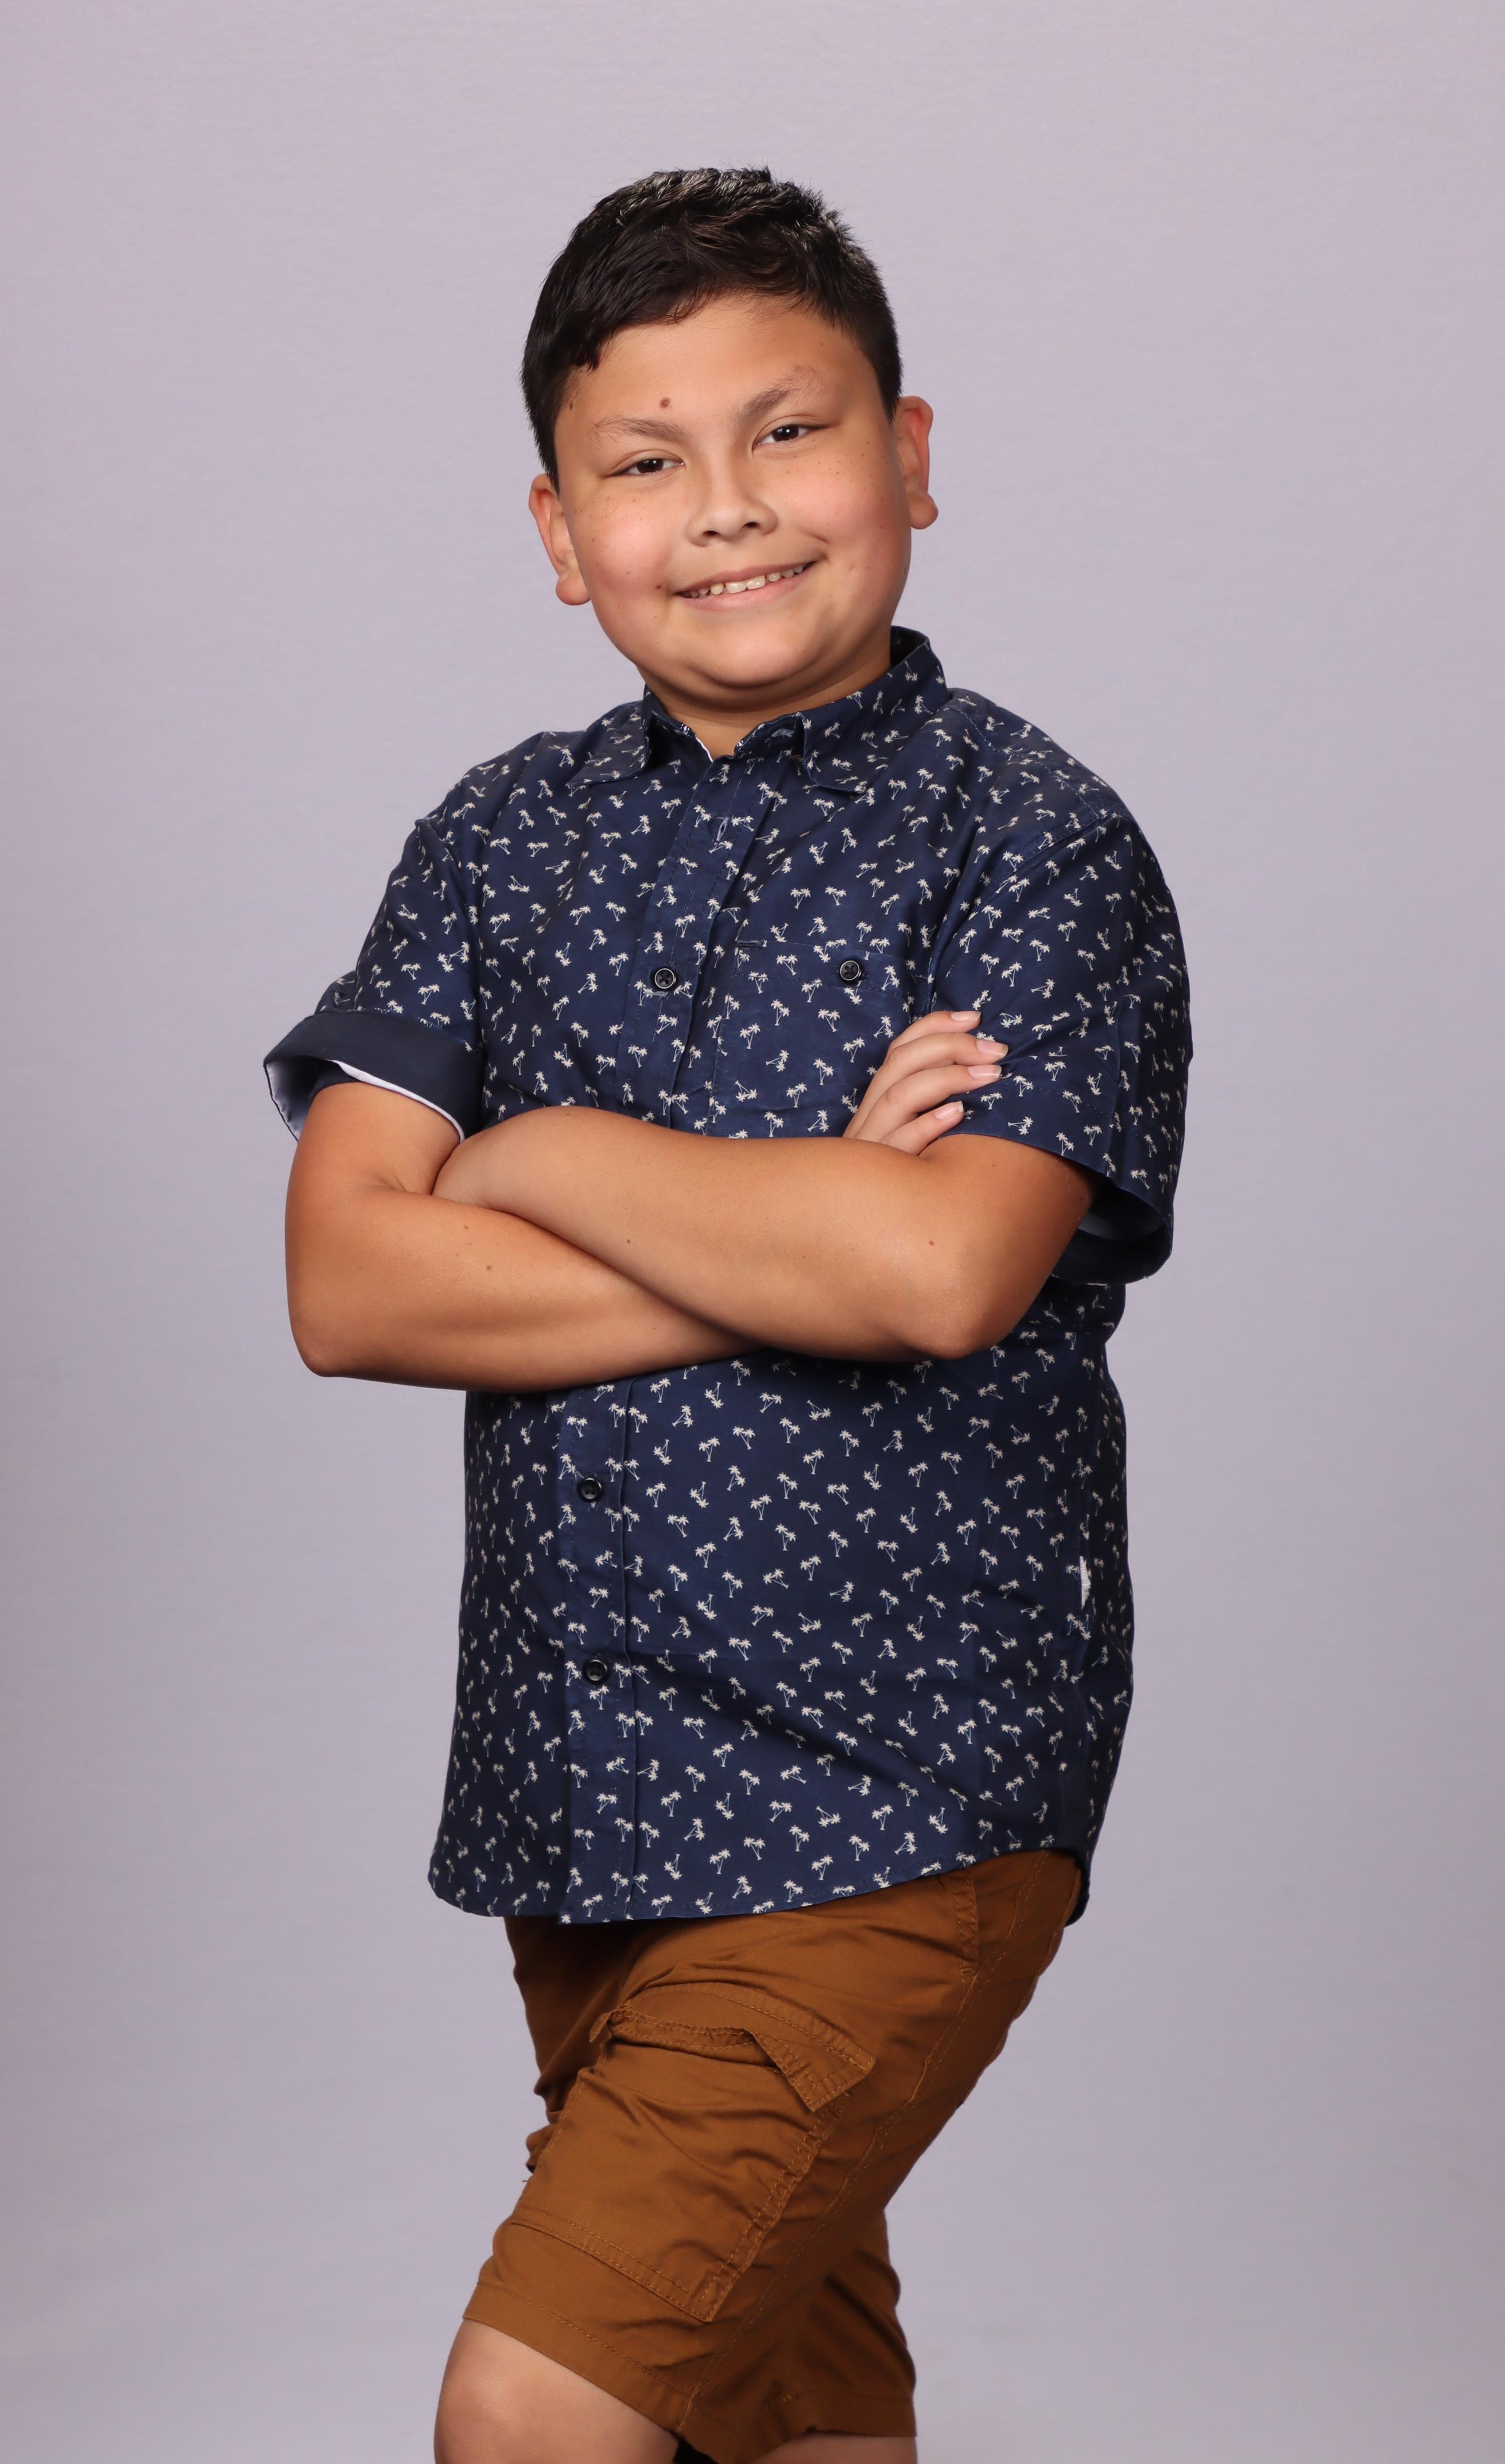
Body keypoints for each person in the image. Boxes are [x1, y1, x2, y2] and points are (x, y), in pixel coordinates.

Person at [265, 168, 1191, 2464]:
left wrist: (534, 1153)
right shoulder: (492, 843)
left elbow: (938, 1270)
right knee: (785, 2415)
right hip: (583, 1783)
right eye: (645, 460)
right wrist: (791, 1230)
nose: (726, 507)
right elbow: (348, 1280)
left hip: (895, 1777)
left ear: (909, 453)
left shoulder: (1030, 841)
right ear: (557, 530)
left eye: (789, 431)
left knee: (539, 2412)